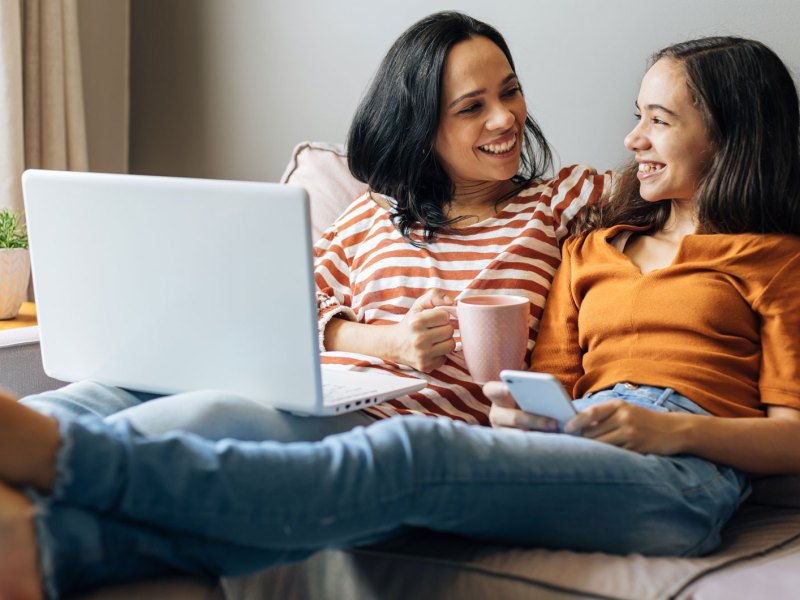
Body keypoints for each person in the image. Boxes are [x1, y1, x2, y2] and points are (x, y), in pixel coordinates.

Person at [1, 32, 799, 600]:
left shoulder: (715, 243)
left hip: (675, 463)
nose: (631, 138)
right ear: (423, 124)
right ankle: (43, 501)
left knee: (359, 441)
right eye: (470, 106)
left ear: (731, 135)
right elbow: (538, 383)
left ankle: (64, 470)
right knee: (132, 387)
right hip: (554, 425)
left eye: (657, 120)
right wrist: (499, 401)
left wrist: (674, 429)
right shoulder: (587, 244)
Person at [19, 11, 612, 441]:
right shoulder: (375, 212)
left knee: (195, 423)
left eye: (510, 92)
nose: (505, 117)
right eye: (472, 106)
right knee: (93, 397)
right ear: (419, 126)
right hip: (319, 391)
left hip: (391, 428)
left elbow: (673, 190)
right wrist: (388, 342)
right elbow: (281, 307)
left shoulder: (562, 199)